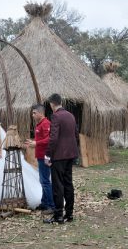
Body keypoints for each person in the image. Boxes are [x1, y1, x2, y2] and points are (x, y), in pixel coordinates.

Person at [43, 94, 78, 224]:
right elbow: (75, 134)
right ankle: (69, 215)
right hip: (71, 154)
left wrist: (48, 155)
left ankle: (58, 216)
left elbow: (53, 138)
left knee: (58, 186)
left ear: (52, 104)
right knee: (68, 184)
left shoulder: (56, 116)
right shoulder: (71, 115)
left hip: (59, 156)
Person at [26, 104, 55, 215]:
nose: (33, 115)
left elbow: (49, 138)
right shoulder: (40, 124)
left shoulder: (46, 123)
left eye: (34, 113)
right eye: (32, 113)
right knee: (43, 180)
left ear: (41, 113)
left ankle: (51, 206)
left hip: (45, 156)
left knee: (45, 181)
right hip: (40, 156)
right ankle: (44, 203)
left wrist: (36, 143)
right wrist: (33, 142)